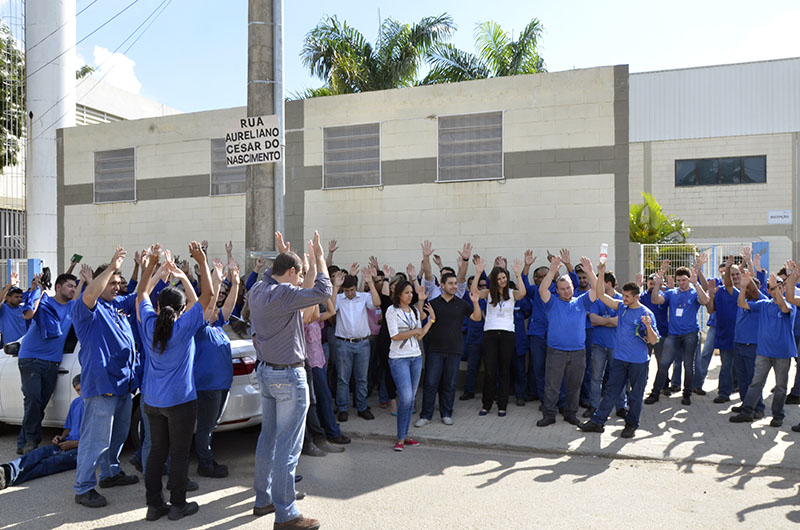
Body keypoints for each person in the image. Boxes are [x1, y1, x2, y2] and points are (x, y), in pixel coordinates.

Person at [249, 231, 330, 530]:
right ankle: (286, 514)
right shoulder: (283, 294)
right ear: (292, 272)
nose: (299, 281)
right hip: (288, 376)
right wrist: (320, 257)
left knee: (268, 438)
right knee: (287, 446)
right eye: (298, 275)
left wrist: (293, 261)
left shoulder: (258, 289)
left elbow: (300, 293)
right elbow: (323, 291)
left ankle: (264, 499)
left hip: (267, 372)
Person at [137, 242, 213, 521]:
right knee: (179, 454)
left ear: (158, 307)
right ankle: (178, 504)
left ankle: (154, 505)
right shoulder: (184, 327)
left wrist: (152, 265)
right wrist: (199, 264)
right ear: (181, 311)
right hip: (180, 402)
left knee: (157, 452)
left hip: (152, 401)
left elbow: (142, 292)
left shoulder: (147, 323)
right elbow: (208, 295)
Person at [72, 247, 139, 508]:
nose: (116, 286)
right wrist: (111, 266)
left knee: (117, 435)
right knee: (95, 439)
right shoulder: (87, 309)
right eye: (112, 282)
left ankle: (110, 473)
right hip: (101, 387)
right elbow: (89, 294)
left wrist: (155, 269)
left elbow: (138, 294)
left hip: (122, 385)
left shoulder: (115, 308)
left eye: (118, 282)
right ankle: (83, 487)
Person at [579, 262, 659, 438]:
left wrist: (648, 326)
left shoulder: (646, 314)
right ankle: (598, 422)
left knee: (635, 396)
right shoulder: (621, 307)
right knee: (611, 391)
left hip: (638, 362)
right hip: (620, 359)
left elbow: (653, 340)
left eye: (627, 297)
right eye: (623, 296)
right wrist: (599, 274)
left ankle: (631, 424)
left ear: (636, 297)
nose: (623, 299)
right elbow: (600, 295)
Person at [17, 272, 81, 454]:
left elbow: (85, 297)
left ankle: (23, 442)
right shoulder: (45, 302)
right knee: (33, 400)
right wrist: (37, 289)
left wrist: (84, 279)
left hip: (53, 362)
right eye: (70, 286)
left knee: (39, 403)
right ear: (58, 287)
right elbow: (29, 314)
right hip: (31, 359)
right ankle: (31, 441)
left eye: (75, 287)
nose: (73, 290)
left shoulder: (72, 307)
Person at [730, 270, 797, 427]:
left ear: (783, 289)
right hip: (764, 352)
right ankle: (747, 412)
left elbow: (783, 308)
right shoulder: (763, 304)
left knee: (780, 386)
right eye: (772, 289)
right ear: (767, 291)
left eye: (779, 287)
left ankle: (778, 416)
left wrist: (777, 289)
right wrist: (744, 287)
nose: (776, 290)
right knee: (756, 383)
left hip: (782, 353)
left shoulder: (790, 305)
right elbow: (742, 304)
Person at [415, 271, 482, 427]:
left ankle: (446, 413)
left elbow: (477, 318)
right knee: (431, 383)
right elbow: (421, 318)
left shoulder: (462, 304)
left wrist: (476, 302)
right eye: (450, 283)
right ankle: (426, 415)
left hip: (454, 350)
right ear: (442, 285)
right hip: (435, 350)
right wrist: (420, 301)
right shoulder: (433, 303)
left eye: (455, 283)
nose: (454, 286)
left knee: (450, 384)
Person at [193, 259, 240, 479]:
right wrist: (217, 281)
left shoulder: (218, 325)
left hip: (222, 384)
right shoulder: (200, 327)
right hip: (207, 386)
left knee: (211, 425)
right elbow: (210, 301)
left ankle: (206, 458)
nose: (217, 308)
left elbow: (228, 307)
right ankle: (205, 463)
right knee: (205, 426)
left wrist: (236, 283)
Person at [537, 255, 597, 427]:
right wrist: (553, 271)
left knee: (574, 386)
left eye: (568, 287)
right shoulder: (552, 303)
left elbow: (596, 290)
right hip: (556, 351)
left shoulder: (581, 302)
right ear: (557, 290)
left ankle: (571, 414)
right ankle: (549, 415)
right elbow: (542, 289)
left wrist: (591, 272)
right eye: (562, 288)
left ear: (573, 287)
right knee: (552, 386)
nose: (566, 291)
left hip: (578, 352)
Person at [0, 374, 83, 490]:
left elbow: (97, 439)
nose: (80, 392)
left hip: (82, 449)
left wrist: (73, 444)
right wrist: (61, 437)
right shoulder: (76, 403)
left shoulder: (96, 406)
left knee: (49, 463)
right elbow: (68, 427)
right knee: (37, 453)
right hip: (66, 443)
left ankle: (9, 478)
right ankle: (6, 469)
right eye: (78, 390)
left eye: (82, 388)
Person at [644, 263, 710, 406]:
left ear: (688, 279)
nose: (681, 283)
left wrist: (696, 283)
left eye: (684, 280)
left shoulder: (694, 292)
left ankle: (686, 395)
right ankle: (655, 393)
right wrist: (657, 284)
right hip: (673, 334)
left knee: (688, 365)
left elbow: (705, 301)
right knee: (664, 364)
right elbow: (655, 300)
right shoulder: (671, 293)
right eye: (679, 280)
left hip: (690, 334)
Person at [471, 256, 527, 417]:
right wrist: (478, 273)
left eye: (504, 277)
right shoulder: (488, 293)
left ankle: (502, 405)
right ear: (494, 281)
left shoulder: (512, 293)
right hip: (490, 334)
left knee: (504, 370)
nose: (502, 281)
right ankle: (486, 405)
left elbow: (522, 293)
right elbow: (473, 292)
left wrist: (517, 274)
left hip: (508, 335)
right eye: (499, 278)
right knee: (489, 371)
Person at [386, 280, 436, 450]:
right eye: (407, 292)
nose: (410, 295)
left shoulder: (414, 311)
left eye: (411, 293)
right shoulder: (392, 311)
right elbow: (394, 335)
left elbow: (420, 336)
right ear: (399, 294)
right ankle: (400, 437)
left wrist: (431, 321)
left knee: (411, 399)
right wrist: (415, 331)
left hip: (415, 357)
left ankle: (405, 435)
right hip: (399, 358)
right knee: (406, 397)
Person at [331, 266, 381, 421]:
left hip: (362, 344)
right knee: (343, 378)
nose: (350, 293)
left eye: (352, 290)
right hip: (343, 344)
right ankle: (342, 408)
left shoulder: (363, 297)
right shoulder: (339, 298)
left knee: (361, 378)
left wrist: (371, 283)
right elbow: (331, 309)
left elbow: (377, 303)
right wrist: (335, 287)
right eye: (347, 290)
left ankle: (362, 407)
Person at [586, 270, 625, 419]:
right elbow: (593, 319)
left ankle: (621, 406)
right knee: (596, 377)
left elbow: (619, 322)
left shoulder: (622, 300)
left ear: (608, 284)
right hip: (599, 345)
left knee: (618, 377)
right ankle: (594, 406)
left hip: (617, 346)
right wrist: (610, 321)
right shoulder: (597, 300)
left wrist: (604, 321)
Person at [0, 272, 26, 347]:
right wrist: (10, 285)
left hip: (24, 346)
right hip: (10, 348)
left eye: (20, 297)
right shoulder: (4, 309)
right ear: (7, 297)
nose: (19, 299)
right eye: (16, 297)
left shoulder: (22, 308)